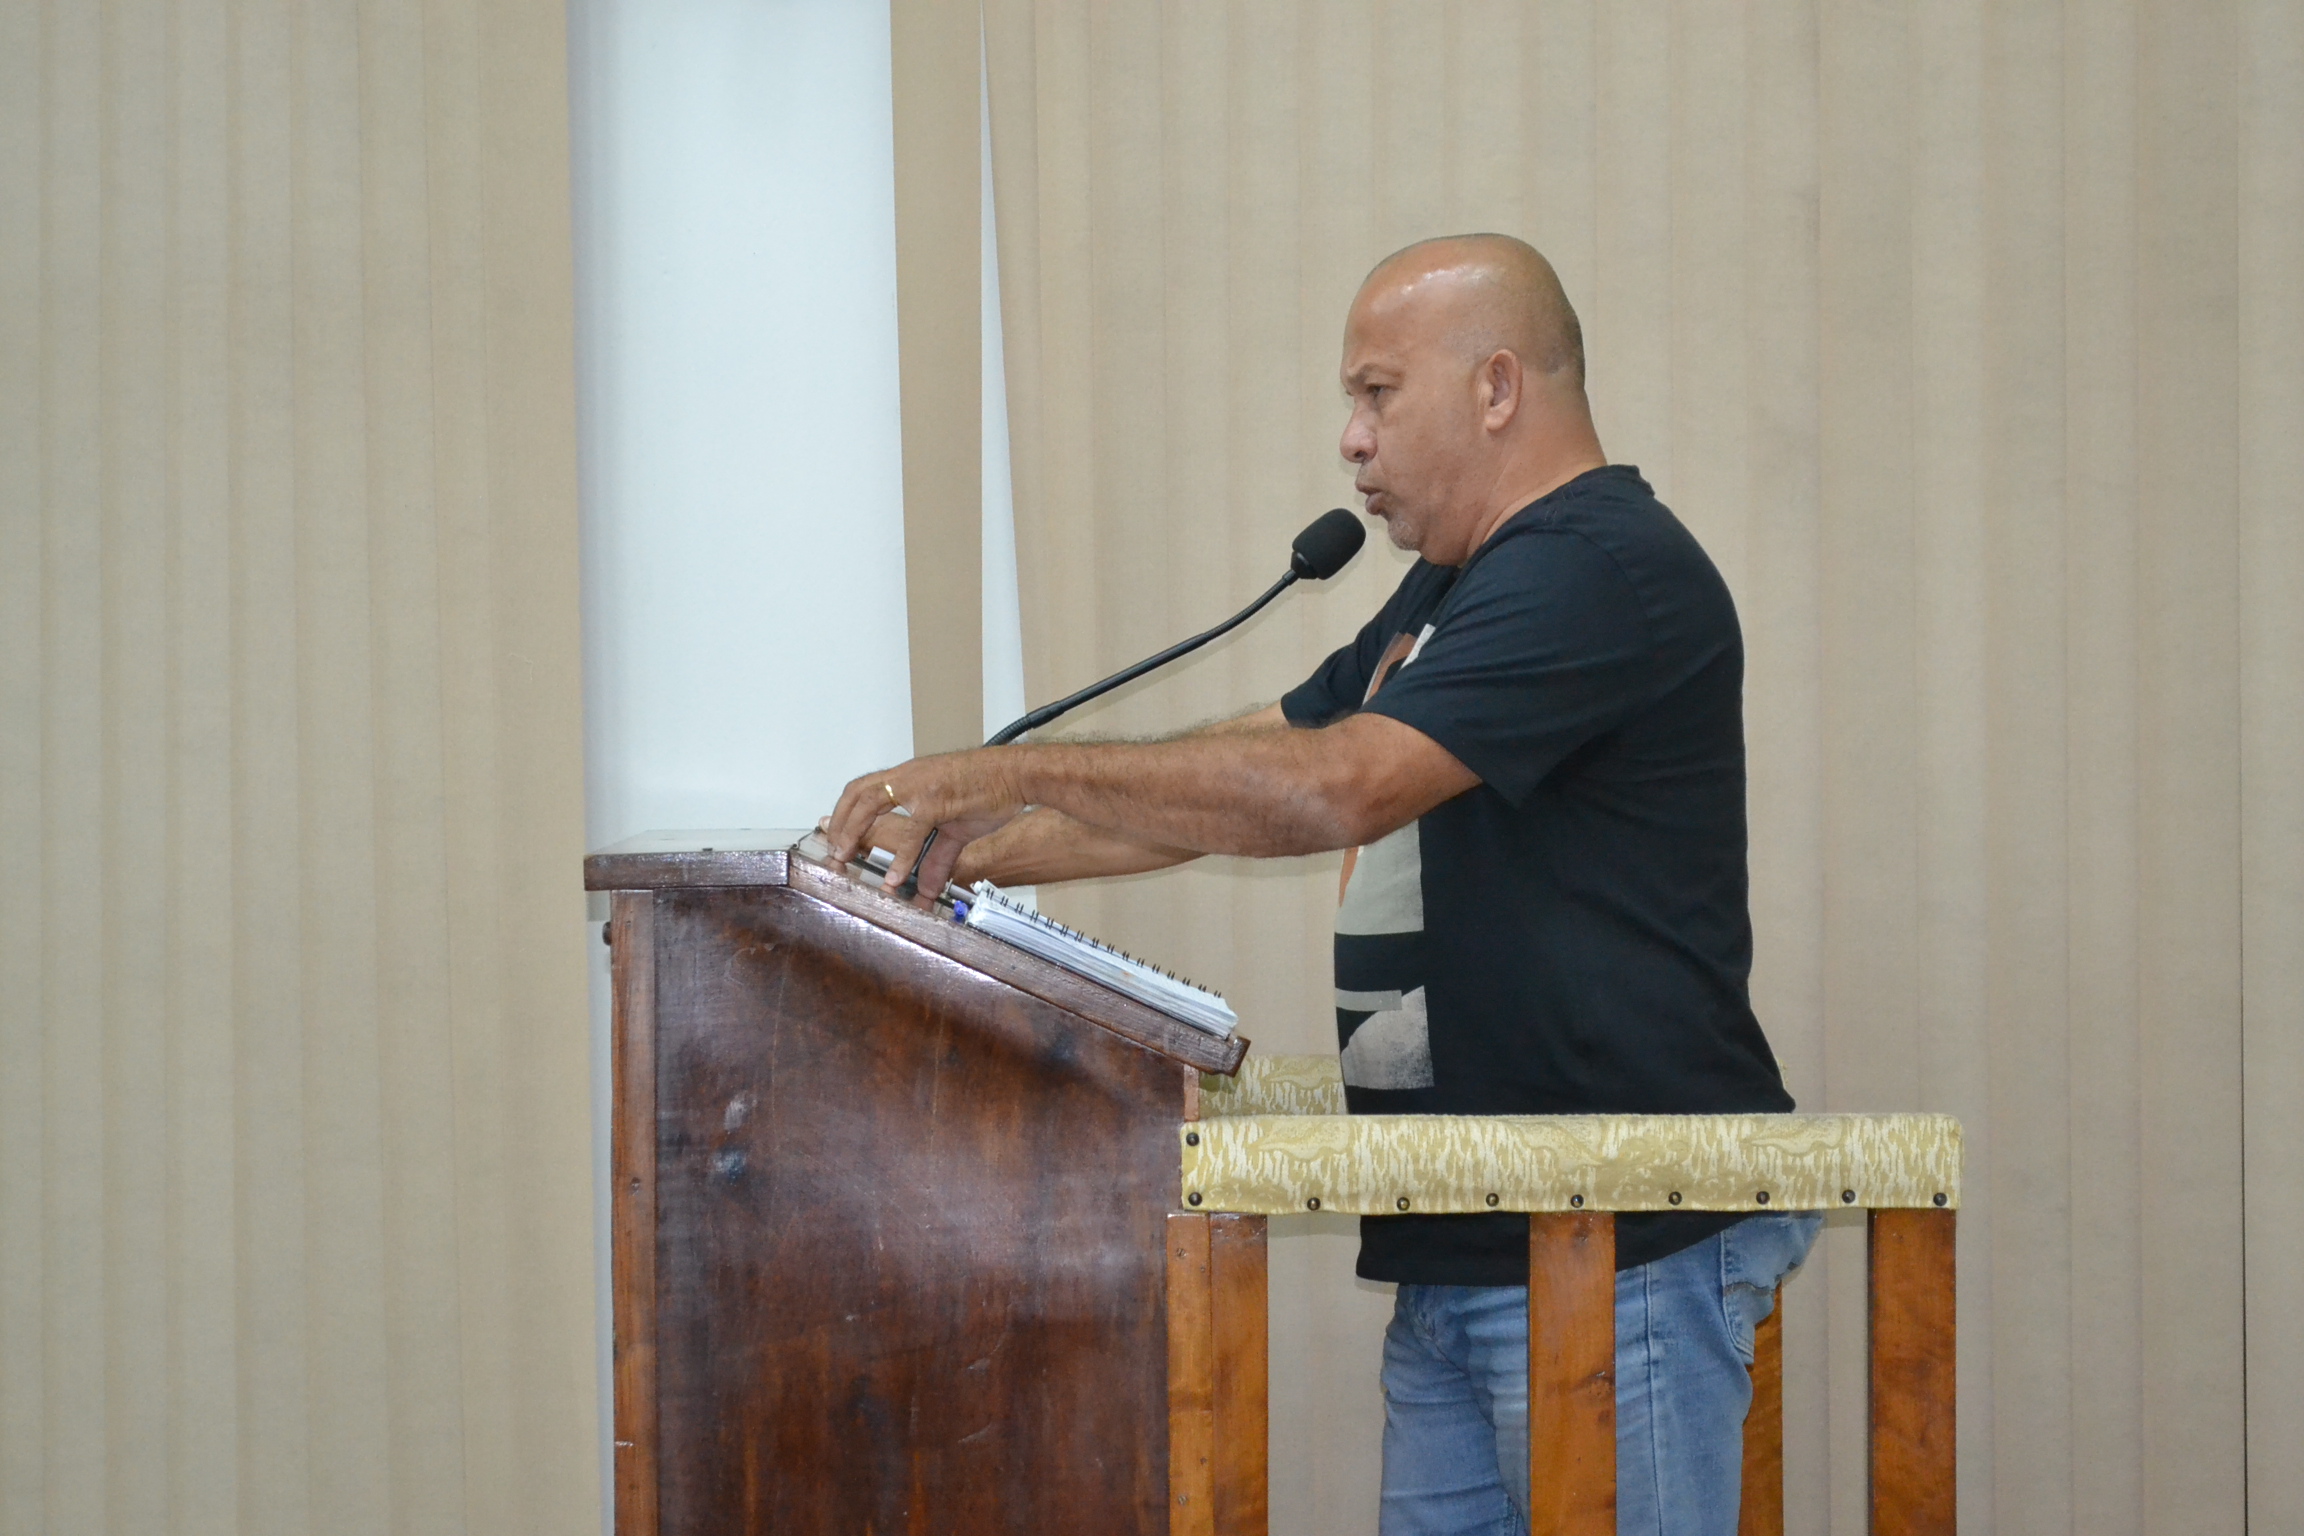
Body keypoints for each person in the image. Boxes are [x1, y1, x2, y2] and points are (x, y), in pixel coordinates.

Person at [823, 233, 1818, 1536]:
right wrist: (951, 855)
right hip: (1467, 1232)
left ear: (1497, 387)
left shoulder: (1598, 567)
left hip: (1612, 1237)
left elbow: (1331, 787)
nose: (1351, 440)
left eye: (1376, 393)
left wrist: (996, 769)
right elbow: (1247, 771)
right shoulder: (1458, 587)